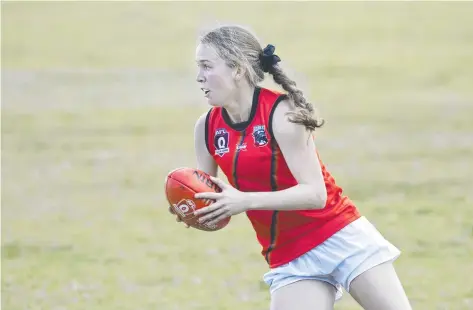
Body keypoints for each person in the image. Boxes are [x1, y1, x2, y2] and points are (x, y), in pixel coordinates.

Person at [169, 24, 413, 310]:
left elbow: (315, 194)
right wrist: (196, 212)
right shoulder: (207, 128)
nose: (199, 77)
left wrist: (243, 200)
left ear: (237, 69)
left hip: (339, 235)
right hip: (289, 256)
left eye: (207, 66)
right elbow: (213, 200)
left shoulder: (281, 114)